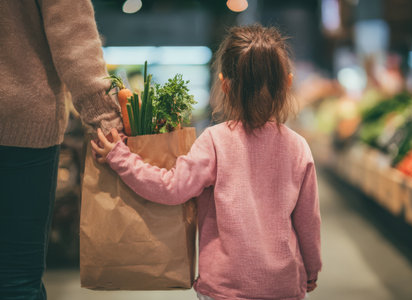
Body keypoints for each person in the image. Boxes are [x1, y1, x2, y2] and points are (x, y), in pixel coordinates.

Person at [92, 24, 322, 300]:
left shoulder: (215, 141)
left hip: (225, 289)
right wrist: (311, 270)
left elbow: (171, 188)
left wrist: (121, 157)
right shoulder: (298, 147)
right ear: (287, 83)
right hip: (284, 286)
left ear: (224, 85)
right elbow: (308, 222)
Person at [0, 1, 123, 299]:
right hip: (20, 128)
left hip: (20, 128)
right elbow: (72, 33)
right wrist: (105, 120)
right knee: (15, 277)